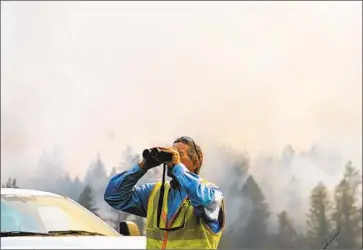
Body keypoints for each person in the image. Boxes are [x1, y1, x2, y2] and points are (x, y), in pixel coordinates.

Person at [104, 136, 225, 249]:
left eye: (179, 154)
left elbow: (202, 201)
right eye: (172, 153)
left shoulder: (211, 193)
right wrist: (143, 166)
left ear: (196, 162)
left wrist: (178, 167)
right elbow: (114, 196)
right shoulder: (155, 193)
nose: (172, 158)